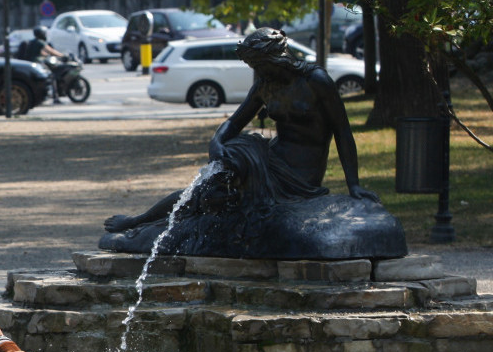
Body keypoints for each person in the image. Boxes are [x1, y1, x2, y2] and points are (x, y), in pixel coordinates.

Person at [105, 27, 378, 233]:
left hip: (300, 175)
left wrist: (353, 184)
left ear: (277, 57)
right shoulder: (265, 84)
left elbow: (343, 132)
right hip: (272, 159)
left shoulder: (315, 81)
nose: (257, 71)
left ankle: (147, 226)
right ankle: (140, 223)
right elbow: (235, 122)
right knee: (209, 189)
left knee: (226, 192)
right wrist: (217, 140)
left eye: (259, 65)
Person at [18, 26, 67, 104]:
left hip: (33, 64)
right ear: (42, 34)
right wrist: (62, 55)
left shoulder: (33, 42)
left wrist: (46, 55)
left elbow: (41, 53)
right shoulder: (39, 42)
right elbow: (51, 50)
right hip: (37, 64)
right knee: (52, 77)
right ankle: (55, 98)